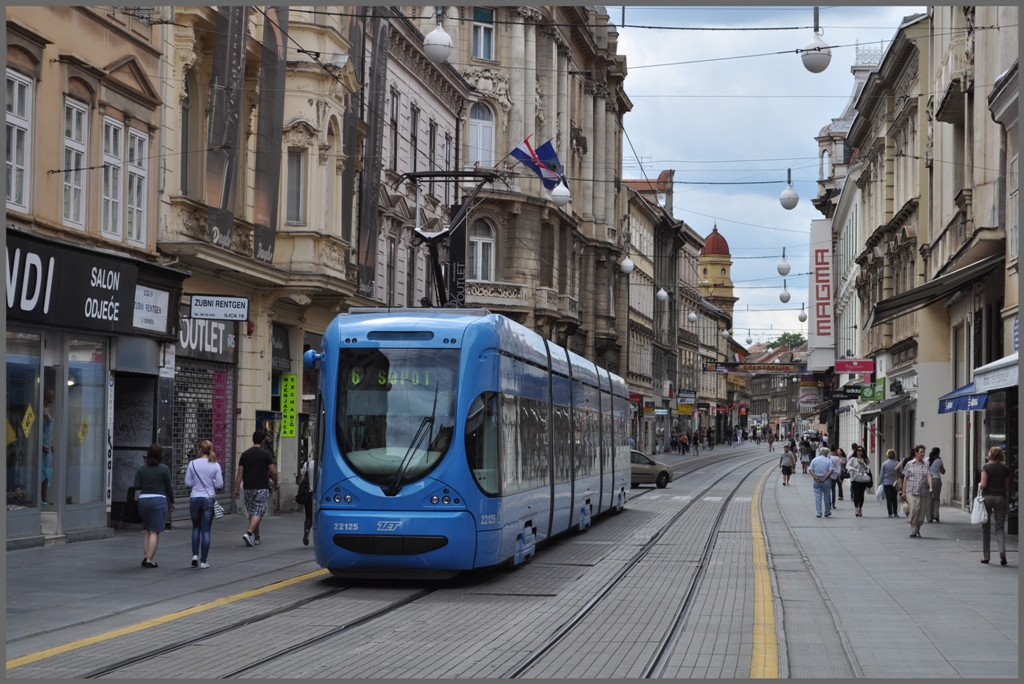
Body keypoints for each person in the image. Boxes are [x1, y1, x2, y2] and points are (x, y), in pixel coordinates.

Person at [234, 430, 279, 547]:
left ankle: (257, 537)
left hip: (247, 488)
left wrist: (236, 489)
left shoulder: (245, 454)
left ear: (252, 440)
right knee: (259, 511)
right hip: (261, 487)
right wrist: (275, 483)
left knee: (253, 513)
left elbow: (240, 473)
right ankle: (249, 533)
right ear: (263, 441)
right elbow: (273, 472)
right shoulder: (266, 454)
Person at [134, 444, 175, 568]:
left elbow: (137, 486)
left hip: (143, 501)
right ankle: (149, 560)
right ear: (161, 455)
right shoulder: (164, 469)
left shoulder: (141, 469)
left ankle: (145, 556)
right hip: (159, 500)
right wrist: (172, 502)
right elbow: (168, 487)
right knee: (154, 531)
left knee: (147, 528)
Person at [185, 440, 223, 569]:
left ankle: (195, 555)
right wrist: (211, 481)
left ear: (200, 449)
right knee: (206, 530)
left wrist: (196, 482)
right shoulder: (215, 465)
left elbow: (188, 483)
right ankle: (203, 561)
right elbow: (219, 484)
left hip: (195, 498)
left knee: (196, 527)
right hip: (208, 499)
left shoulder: (192, 464)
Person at [979, 446, 1011, 565]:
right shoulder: (1005, 469)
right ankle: (1002, 552)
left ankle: (986, 556)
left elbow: (984, 484)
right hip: (1001, 498)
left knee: (985, 527)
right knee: (1000, 527)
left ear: (991, 454)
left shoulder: (986, 467)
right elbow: (1007, 487)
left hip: (987, 497)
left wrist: (980, 484)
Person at [900, 444, 932, 538]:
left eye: (923, 452)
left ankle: (918, 529)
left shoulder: (926, 465)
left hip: (922, 491)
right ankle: (913, 529)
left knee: (921, 511)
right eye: (921, 452)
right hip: (911, 490)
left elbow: (928, 476)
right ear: (916, 453)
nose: (922, 454)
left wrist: (931, 486)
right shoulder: (909, 464)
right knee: (914, 509)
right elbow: (905, 478)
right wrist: (903, 491)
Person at [808, 447, 835, 518]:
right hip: (826, 480)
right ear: (826, 454)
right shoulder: (829, 461)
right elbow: (831, 470)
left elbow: (811, 470)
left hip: (817, 480)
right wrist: (825, 477)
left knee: (818, 497)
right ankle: (827, 512)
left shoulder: (814, 460)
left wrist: (815, 477)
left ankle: (819, 513)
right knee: (827, 496)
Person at [847, 446, 871, 517]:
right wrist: (853, 469)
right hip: (854, 478)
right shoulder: (853, 459)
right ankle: (856, 508)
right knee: (856, 494)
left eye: (861, 450)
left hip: (863, 478)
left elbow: (868, 469)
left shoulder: (865, 459)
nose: (860, 452)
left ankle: (860, 508)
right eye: (858, 450)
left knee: (861, 494)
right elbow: (847, 466)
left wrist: (863, 464)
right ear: (856, 451)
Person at [297, 456, 315, 546]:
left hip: (309, 494)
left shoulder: (307, 464)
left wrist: (298, 493)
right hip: (320, 494)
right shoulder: (324, 464)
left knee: (308, 516)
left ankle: (307, 530)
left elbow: (302, 481)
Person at [40, 389, 54, 505]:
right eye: (51, 396)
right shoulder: (42, 411)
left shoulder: (48, 410)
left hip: (48, 444)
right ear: (45, 397)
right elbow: (37, 429)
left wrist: (50, 444)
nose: (52, 398)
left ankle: (44, 497)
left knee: (47, 471)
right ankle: (41, 497)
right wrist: (41, 444)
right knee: (42, 470)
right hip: (43, 444)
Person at [925, 447, 946, 523]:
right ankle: (936, 515)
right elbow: (943, 472)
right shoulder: (939, 460)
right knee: (936, 498)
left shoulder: (926, 460)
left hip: (927, 479)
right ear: (938, 453)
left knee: (928, 499)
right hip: (936, 479)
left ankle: (929, 517)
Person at [879, 449, 901, 517]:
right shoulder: (897, 463)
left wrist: (880, 482)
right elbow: (899, 473)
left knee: (889, 498)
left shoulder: (884, 464)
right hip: (894, 482)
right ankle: (895, 512)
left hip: (886, 483)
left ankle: (890, 513)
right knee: (894, 498)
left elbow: (882, 474)